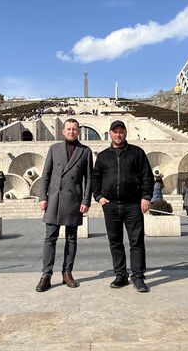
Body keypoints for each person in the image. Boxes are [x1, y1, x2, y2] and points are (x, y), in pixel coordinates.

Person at [92, 120, 154, 293]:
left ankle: (138, 276)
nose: (118, 134)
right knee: (115, 242)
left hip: (133, 204)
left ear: (125, 133)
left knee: (136, 241)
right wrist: (98, 197)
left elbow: (147, 176)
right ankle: (120, 275)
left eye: (121, 131)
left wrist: (146, 197)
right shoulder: (103, 156)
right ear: (110, 133)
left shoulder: (137, 153)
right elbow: (95, 178)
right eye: (115, 131)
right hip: (111, 205)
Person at [36, 118, 93, 292]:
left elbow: (89, 179)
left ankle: (67, 273)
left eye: (74, 129)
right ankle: (46, 275)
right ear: (63, 131)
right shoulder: (54, 149)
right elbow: (46, 174)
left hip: (73, 200)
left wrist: (86, 200)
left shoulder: (85, 151)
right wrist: (42, 197)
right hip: (54, 199)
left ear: (79, 131)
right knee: (50, 238)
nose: (71, 132)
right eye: (68, 129)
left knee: (71, 238)